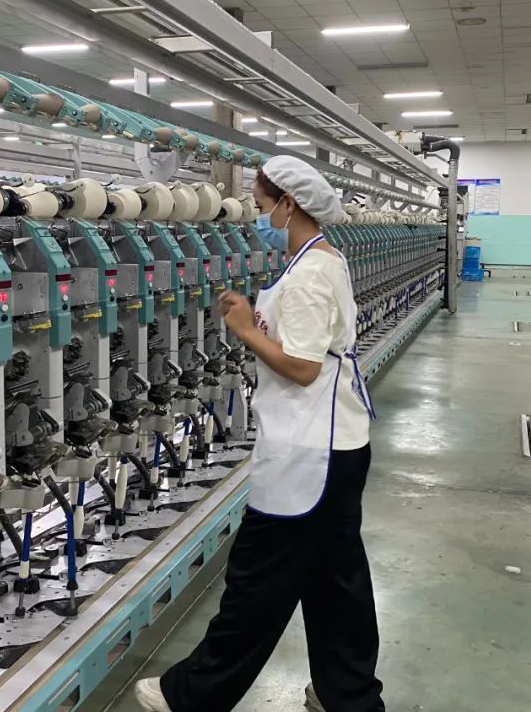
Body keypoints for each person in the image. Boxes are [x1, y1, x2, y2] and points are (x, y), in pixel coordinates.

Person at [134, 156, 384, 712]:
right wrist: (253, 315)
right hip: (335, 444)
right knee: (336, 580)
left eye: (261, 203)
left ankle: (192, 696)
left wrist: (247, 329)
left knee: (257, 579)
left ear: (288, 204)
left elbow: (303, 367)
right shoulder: (318, 260)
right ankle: (349, 696)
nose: (256, 213)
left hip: (309, 454)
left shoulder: (311, 273)